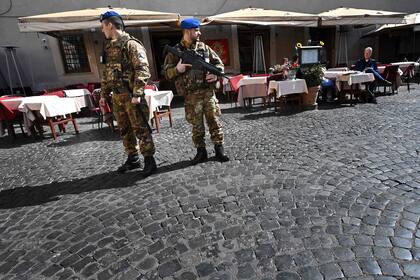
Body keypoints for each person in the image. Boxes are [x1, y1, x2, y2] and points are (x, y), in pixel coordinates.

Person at [163, 18, 229, 164]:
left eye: (198, 30)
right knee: (196, 126)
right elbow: (166, 73)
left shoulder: (204, 48)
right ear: (187, 31)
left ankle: (219, 149)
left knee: (214, 122)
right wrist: (177, 69)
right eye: (196, 30)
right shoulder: (176, 51)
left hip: (208, 93)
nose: (199, 33)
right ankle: (201, 152)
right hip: (191, 96)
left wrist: (216, 73)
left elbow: (219, 64)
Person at [99, 11, 157, 176]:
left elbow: (143, 70)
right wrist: (103, 94)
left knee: (141, 129)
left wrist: (137, 94)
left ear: (110, 25)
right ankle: (133, 159)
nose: (102, 30)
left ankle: (149, 161)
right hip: (117, 97)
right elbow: (106, 74)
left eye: (103, 26)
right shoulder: (109, 47)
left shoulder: (131, 44)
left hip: (132, 96)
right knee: (124, 129)